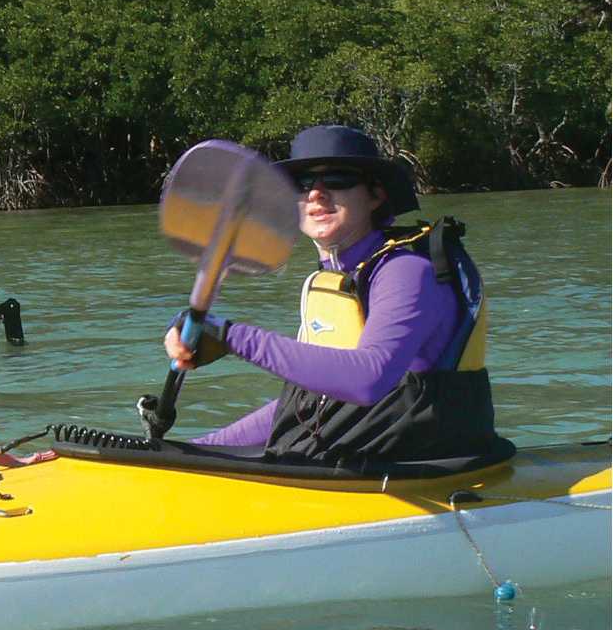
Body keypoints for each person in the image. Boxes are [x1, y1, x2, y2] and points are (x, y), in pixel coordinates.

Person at [161, 124, 504, 466]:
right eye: (302, 183)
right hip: (358, 458)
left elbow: (368, 380)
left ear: (375, 195)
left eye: (338, 179)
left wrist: (230, 337)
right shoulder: (338, 279)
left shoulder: (406, 271)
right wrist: (193, 451)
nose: (315, 194)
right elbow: (310, 408)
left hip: (419, 468)